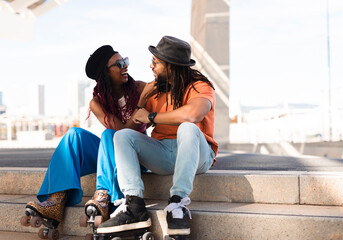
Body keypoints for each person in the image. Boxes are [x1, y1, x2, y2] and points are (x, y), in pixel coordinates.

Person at [23, 45, 155, 231]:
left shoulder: (141, 88)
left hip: (139, 157)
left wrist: (142, 102)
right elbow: (121, 131)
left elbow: (125, 136)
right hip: (114, 156)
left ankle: (107, 197)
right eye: (119, 63)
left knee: (110, 135)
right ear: (105, 74)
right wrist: (140, 108)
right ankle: (56, 199)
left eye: (125, 60)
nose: (125, 65)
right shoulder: (97, 103)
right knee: (73, 135)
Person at [96, 36, 218, 237]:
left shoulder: (200, 86)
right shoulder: (154, 90)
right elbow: (129, 133)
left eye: (155, 62)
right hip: (162, 154)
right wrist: (143, 99)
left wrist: (152, 116)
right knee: (122, 136)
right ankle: (134, 206)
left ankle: (177, 203)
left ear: (171, 66)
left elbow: (193, 114)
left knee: (187, 127)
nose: (150, 66)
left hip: (196, 155)